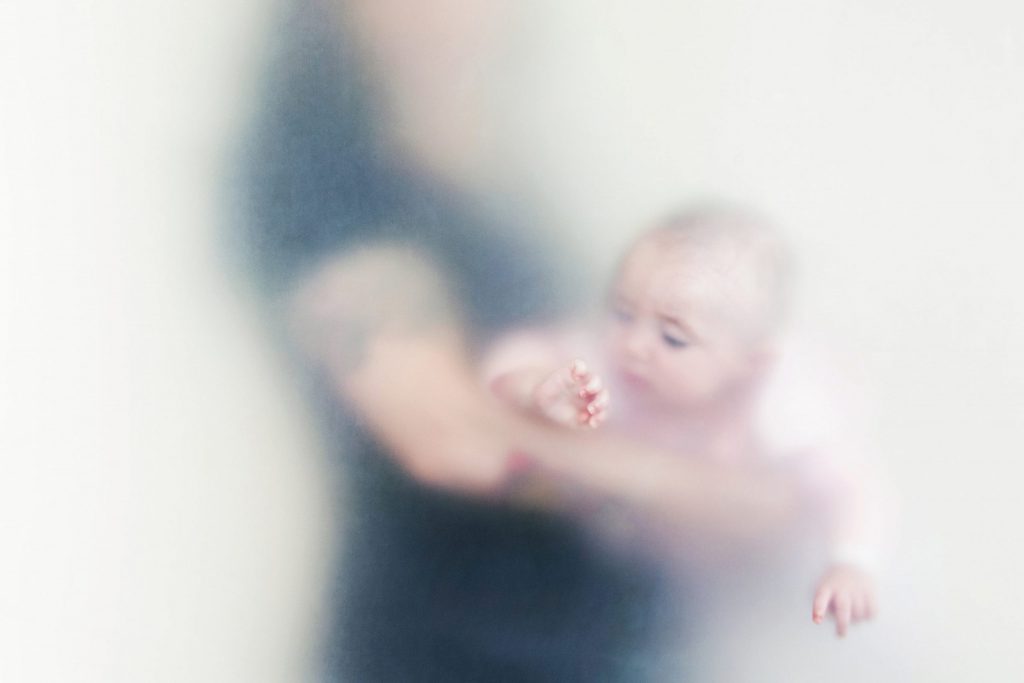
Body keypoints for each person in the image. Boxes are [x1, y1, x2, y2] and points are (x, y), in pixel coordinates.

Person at [237, 1, 809, 679]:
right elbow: (445, 428)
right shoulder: (326, 185)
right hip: (446, 654)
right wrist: (681, 488)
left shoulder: (496, 180)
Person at [483, 206, 884, 639]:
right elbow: (503, 363)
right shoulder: (608, 366)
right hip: (628, 558)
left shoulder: (779, 405)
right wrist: (534, 385)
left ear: (749, 364)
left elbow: (853, 486)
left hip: (737, 582)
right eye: (623, 313)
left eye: (673, 338)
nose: (634, 344)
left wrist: (850, 561)